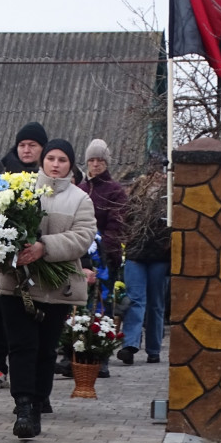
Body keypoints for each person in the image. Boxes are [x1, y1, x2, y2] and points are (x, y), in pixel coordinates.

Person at [0, 138, 95, 440]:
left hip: (56, 288)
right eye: (50, 158)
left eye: (62, 160)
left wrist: (43, 247)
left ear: (70, 164)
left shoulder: (80, 199)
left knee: (45, 350)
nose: (55, 164)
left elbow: (83, 237)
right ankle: (23, 407)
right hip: (17, 283)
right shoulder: (18, 189)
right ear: (42, 161)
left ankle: (38, 404)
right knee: (22, 346)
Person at [0, 125, 47, 389]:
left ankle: (33, 374)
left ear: (43, 148)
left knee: (32, 322)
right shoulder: (2, 176)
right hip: (2, 260)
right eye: (22, 145)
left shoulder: (47, 177)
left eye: (33, 145)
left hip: (38, 261)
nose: (26, 150)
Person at [78, 139, 128, 378]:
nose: (95, 165)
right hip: (80, 256)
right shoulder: (79, 188)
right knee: (79, 306)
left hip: (105, 258)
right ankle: (75, 354)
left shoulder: (115, 191)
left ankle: (102, 356)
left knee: (102, 307)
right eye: (92, 160)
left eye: (100, 160)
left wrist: (101, 248)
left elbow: (117, 225)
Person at [117, 168, 169, 366]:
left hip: (159, 256)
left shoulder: (170, 196)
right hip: (136, 255)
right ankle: (130, 345)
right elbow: (124, 221)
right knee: (135, 300)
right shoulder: (135, 196)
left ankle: (154, 349)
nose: (159, 175)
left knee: (155, 304)